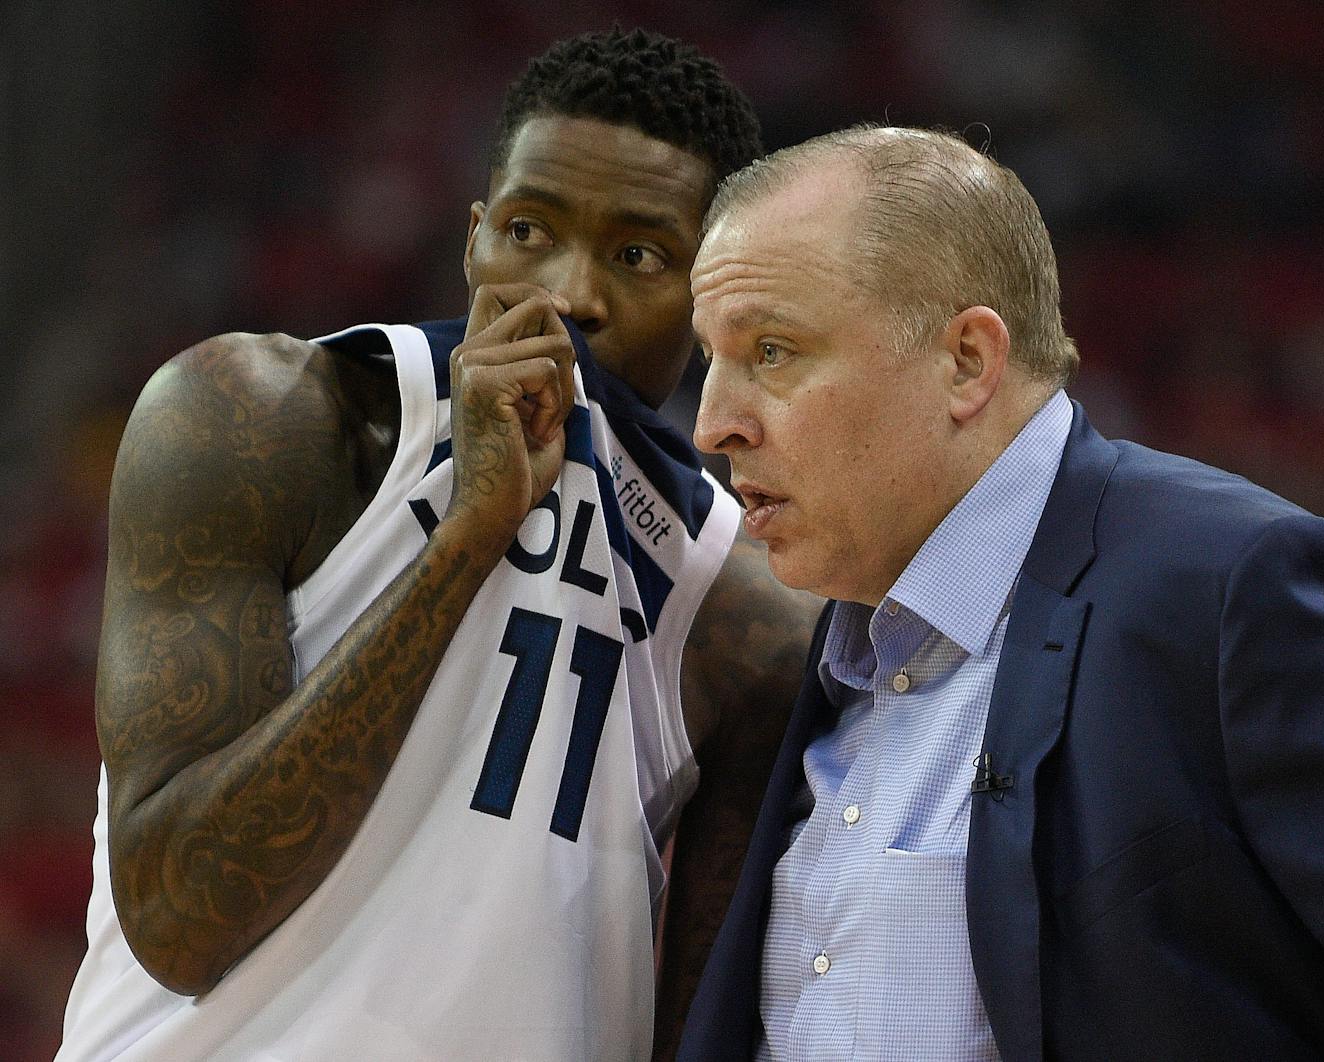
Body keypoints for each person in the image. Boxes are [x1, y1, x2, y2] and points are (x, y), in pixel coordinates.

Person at [57, 28, 818, 1062]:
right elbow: (183, 918)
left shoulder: (747, 615)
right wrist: (467, 539)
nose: (569, 294)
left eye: (638, 255)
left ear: (715, 291)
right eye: (528, 230)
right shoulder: (260, 417)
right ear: (474, 238)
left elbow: (698, 1032)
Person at [673, 125, 1324, 1061]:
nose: (715, 422)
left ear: (965, 361)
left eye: (774, 351)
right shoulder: (811, 655)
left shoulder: (1237, 588)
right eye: (709, 357)